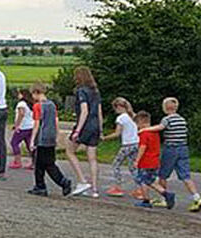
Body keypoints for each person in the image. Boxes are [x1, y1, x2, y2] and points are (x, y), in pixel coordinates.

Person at [142, 97, 201, 212]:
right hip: (184, 149)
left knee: (163, 175)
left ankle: (165, 198)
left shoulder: (167, 119)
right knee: (186, 175)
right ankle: (197, 198)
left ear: (165, 108)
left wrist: (145, 130)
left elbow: (160, 128)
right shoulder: (182, 119)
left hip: (171, 149)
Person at [27, 82, 74, 197]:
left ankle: (44, 185)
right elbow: (56, 120)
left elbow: (37, 124)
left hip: (42, 138)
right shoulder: (52, 105)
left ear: (36, 93)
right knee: (48, 163)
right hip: (50, 137)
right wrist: (57, 135)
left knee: (39, 164)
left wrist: (32, 139)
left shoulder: (38, 106)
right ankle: (48, 184)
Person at [65, 66, 103, 197]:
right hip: (95, 126)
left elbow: (84, 110)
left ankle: (82, 181)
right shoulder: (95, 91)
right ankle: (94, 189)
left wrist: (77, 130)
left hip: (85, 125)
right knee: (92, 158)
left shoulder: (81, 91)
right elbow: (99, 111)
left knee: (69, 151)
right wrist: (101, 129)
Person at [133, 111, 175, 209]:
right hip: (155, 161)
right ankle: (166, 194)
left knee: (143, 180)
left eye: (137, 124)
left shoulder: (144, 133)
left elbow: (142, 147)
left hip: (145, 161)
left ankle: (147, 199)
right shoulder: (154, 132)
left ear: (141, 122)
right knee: (150, 180)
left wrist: (137, 160)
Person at [102, 97, 139, 197]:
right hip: (136, 144)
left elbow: (117, 133)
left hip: (127, 145)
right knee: (133, 167)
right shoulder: (134, 116)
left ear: (118, 107)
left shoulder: (121, 118)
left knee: (116, 164)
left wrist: (105, 138)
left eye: (115, 107)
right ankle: (139, 188)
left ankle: (118, 187)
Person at [9, 88, 34, 169]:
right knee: (29, 144)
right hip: (31, 126)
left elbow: (21, 114)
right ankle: (34, 162)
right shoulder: (30, 104)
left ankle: (17, 161)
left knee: (14, 143)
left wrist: (17, 125)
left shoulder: (21, 104)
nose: (18, 95)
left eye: (19, 94)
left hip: (23, 127)